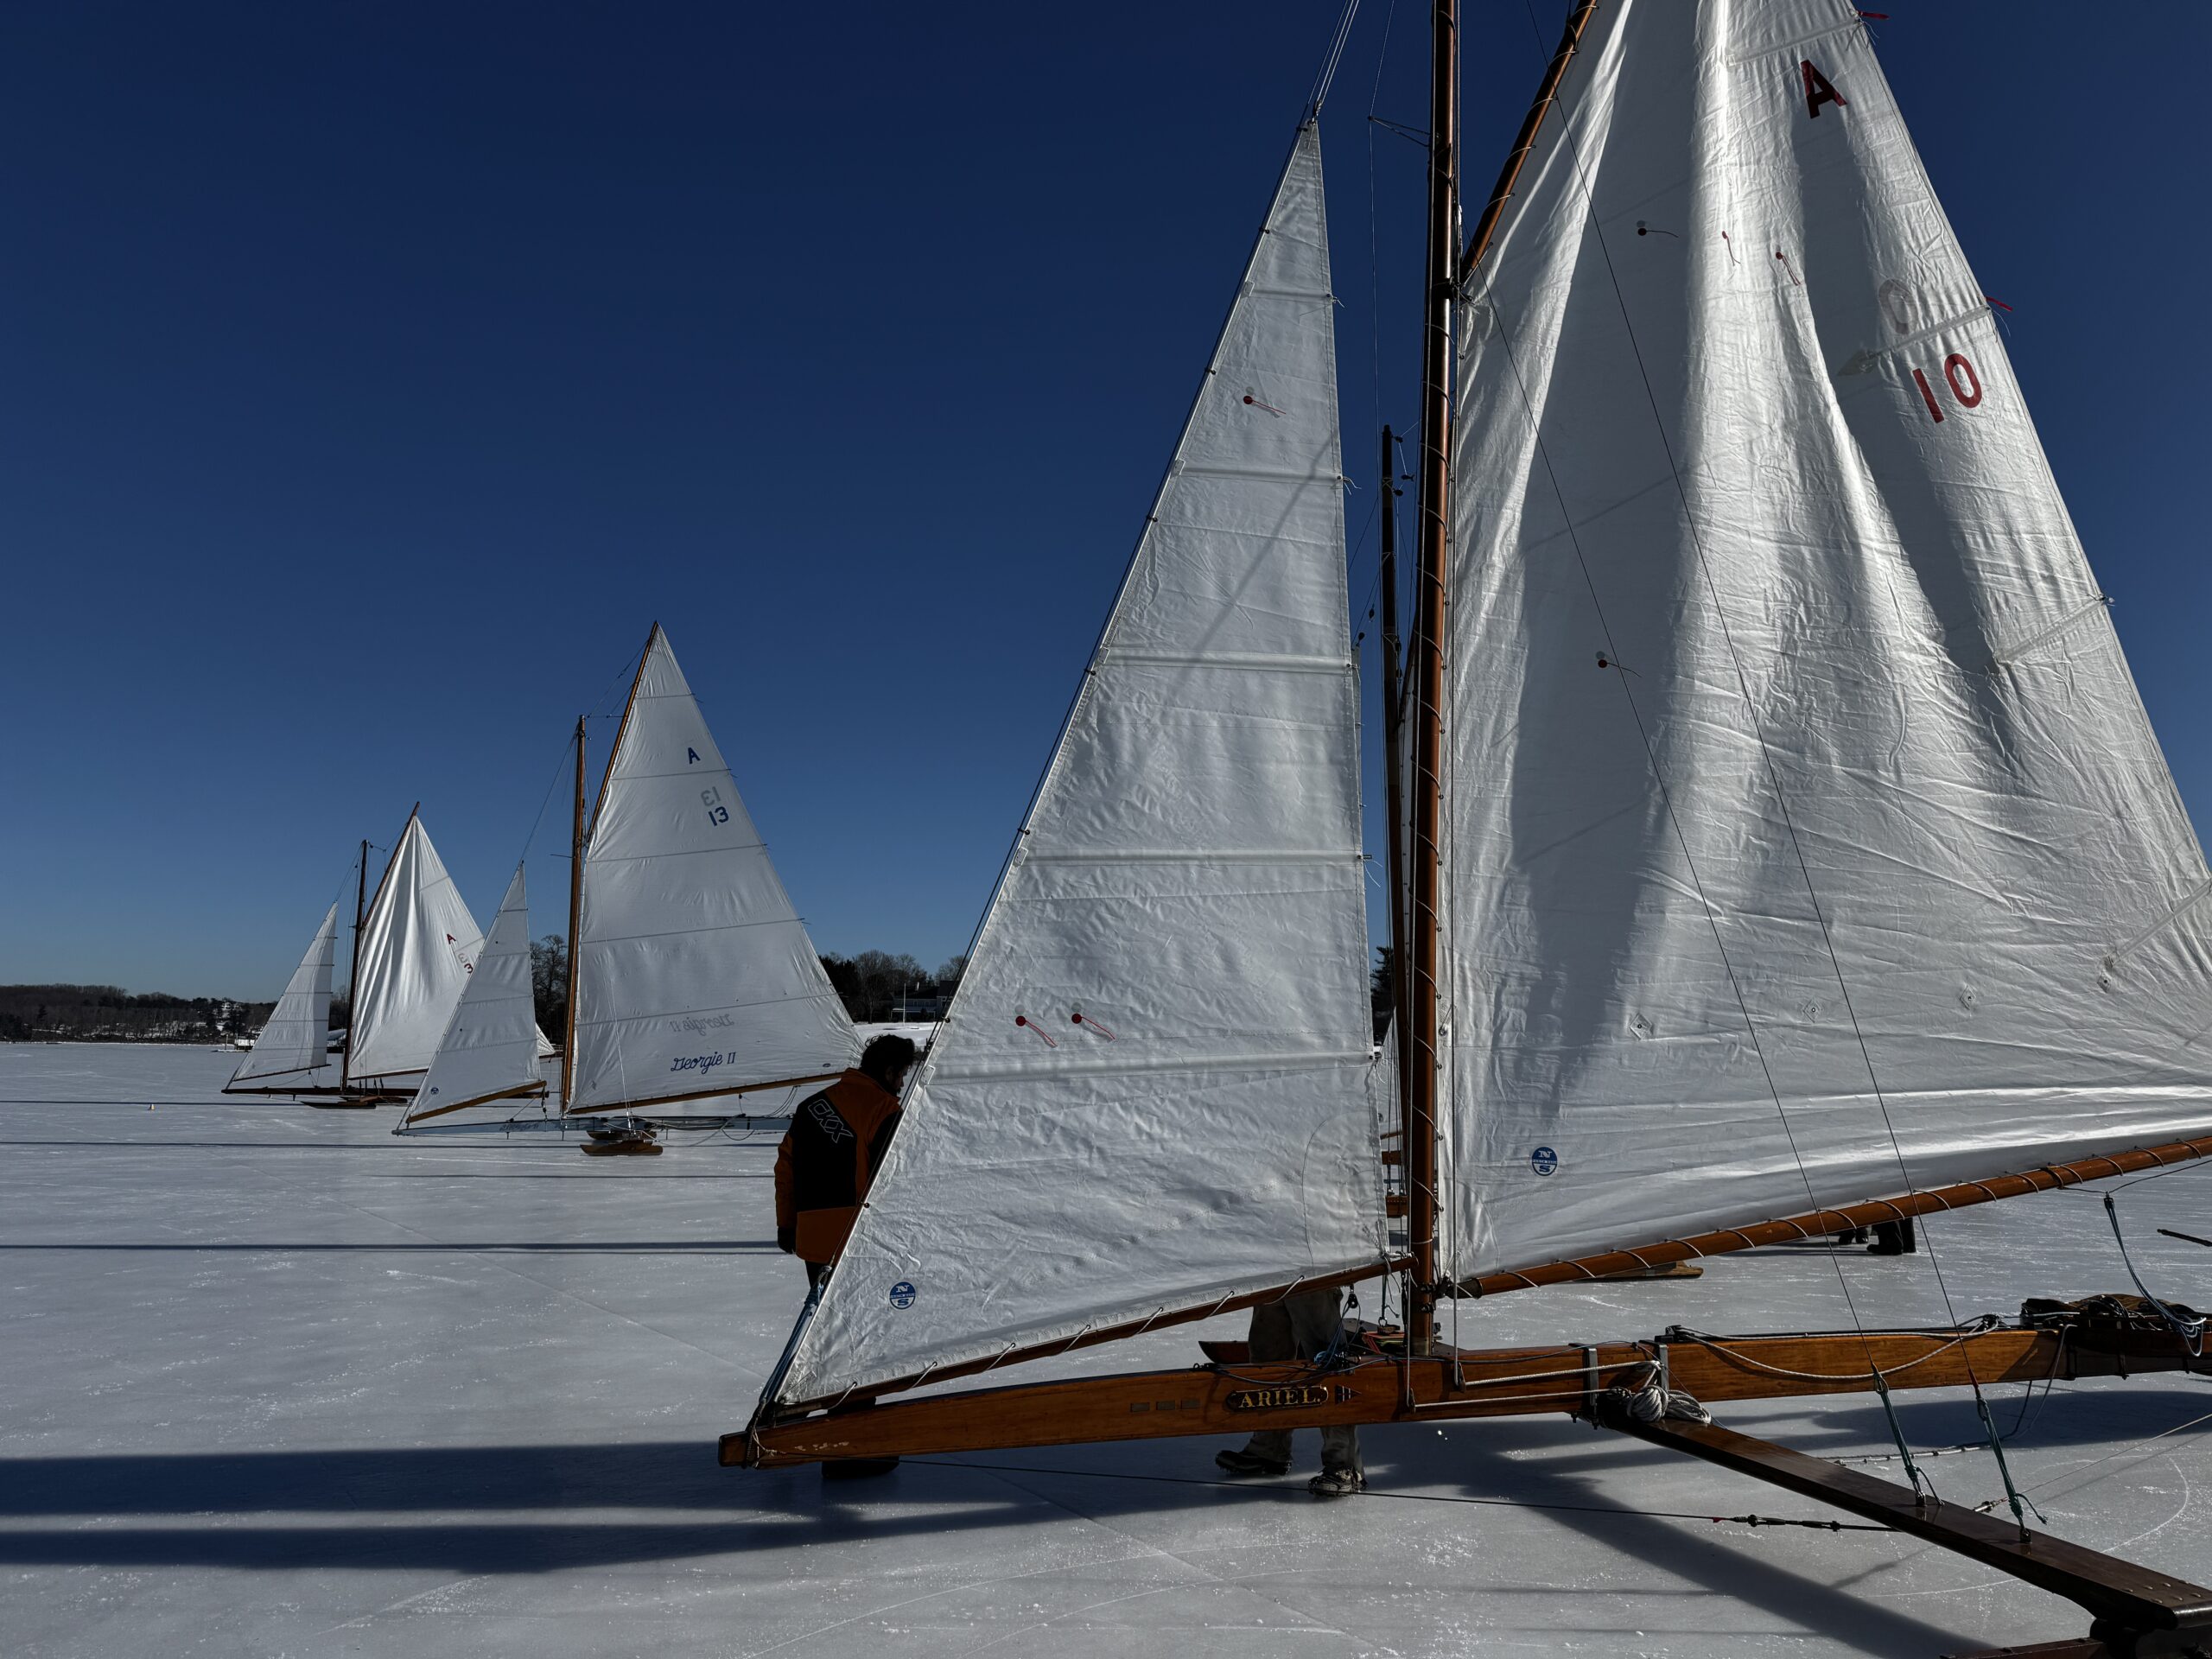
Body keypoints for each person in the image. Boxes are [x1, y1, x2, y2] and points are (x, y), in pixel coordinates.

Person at [774, 1033, 918, 1289]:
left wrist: (786, 1225)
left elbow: (785, 1169)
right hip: (856, 1243)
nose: (902, 1084)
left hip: (812, 1240)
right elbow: (893, 1181)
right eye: (902, 1074)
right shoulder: (884, 1112)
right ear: (888, 1072)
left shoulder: (811, 1106)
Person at [1213, 1287, 1364, 1498]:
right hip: (1272, 1266)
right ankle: (1269, 1448)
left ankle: (1344, 1465)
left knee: (1327, 1361)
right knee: (1267, 1359)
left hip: (1314, 1267)